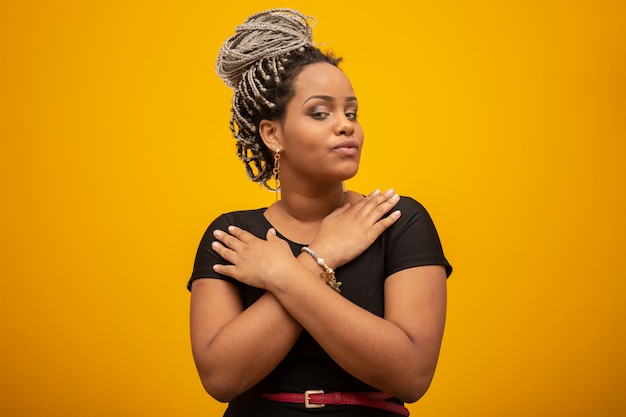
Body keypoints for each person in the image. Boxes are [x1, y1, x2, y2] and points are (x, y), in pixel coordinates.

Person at [188, 8, 452, 417]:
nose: (346, 125)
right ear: (273, 133)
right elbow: (221, 378)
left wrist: (286, 271)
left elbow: (411, 376)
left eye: (351, 112)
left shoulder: (396, 221)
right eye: (320, 112)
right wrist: (322, 257)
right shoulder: (234, 236)